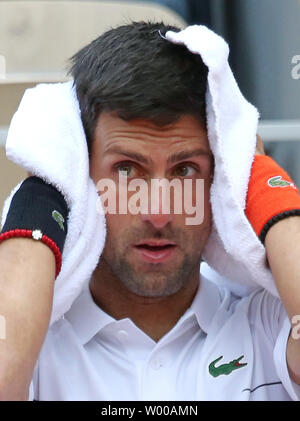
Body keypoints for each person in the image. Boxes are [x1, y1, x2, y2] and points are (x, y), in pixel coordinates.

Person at [0, 21, 299, 401]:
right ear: (80, 178)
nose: (159, 213)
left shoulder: (268, 321)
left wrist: (255, 174)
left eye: (185, 170)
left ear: (221, 183)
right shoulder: (33, 339)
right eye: (127, 170)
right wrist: (46, 190)